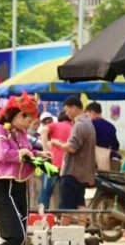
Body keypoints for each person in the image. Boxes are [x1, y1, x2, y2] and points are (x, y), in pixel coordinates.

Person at [0, 92, 48, 245]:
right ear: (20, 115)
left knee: (21, 240)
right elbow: (4, 154)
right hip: (4, 186)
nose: (29, 125)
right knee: (16, 237)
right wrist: (22, 152)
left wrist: (40, 156)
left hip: (21, 186)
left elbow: (27, 153)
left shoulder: (20, 133)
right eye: (29, 121)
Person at [50, 96, 96, 225]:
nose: (66, 113)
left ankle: (61, 236)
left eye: (67, 110)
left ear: (74, 108)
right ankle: (80, 234)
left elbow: (72, 148)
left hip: (72, 172)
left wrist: (57, 143)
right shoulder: (89, 123)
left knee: (67, 206)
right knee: (80, 203)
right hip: (82, 172)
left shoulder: (79, 125)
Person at [38, 111, 71, 209]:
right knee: (63, 193)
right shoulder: (74, 127)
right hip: (67, 165)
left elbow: (43, 131)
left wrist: (45, 150)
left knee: (46, 192)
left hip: (53, 162)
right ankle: (62, 217)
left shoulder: (55, 125)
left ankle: (42, 215)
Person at [85, 101, 119, 172]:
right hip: (111, 156)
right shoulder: (111, 126)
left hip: (96, 159)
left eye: (87, 114)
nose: (86, 117)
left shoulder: (90, 125)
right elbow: (116, 144)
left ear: (92, 112)